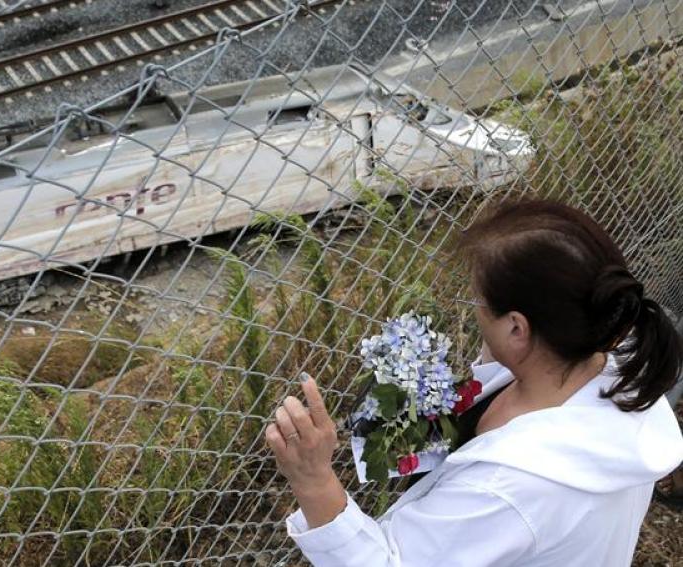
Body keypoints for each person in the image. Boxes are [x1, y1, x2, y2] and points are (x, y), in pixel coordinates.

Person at [266, 199, 683, 566]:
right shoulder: (616, 364)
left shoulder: (507, 491)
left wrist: (313, 478)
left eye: (478, 302)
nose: (474, 313)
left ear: (518, 329)